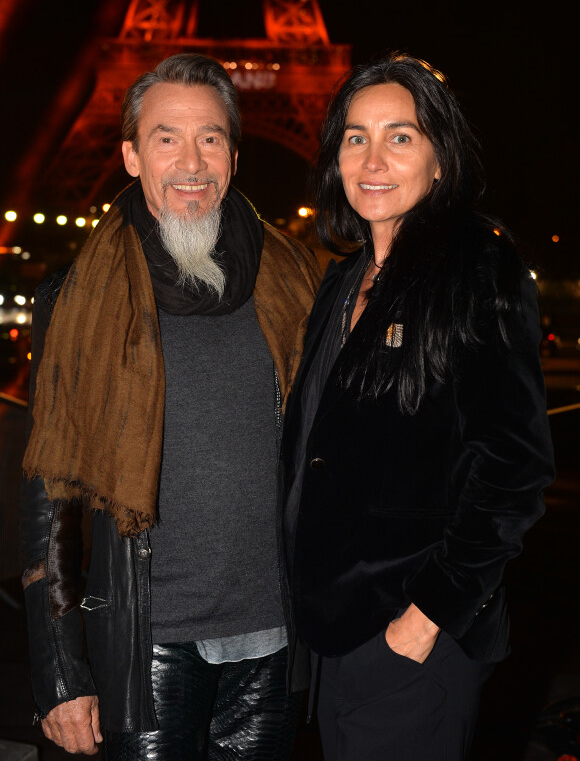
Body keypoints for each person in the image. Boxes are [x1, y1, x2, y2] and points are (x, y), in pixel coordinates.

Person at [20, 53, 321, 759]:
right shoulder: (78, 295)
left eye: (210, 138)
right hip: (144, 646)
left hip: (273, 640)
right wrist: (62, 672)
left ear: (234, 154)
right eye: (166, 138)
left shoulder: (294, 278)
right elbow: (49, 494)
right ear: (130, 154)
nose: (191, 161)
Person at [282, 52, 555, 761]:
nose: (373, 158)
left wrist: (428, 614)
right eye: (355, 137)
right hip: (338, 628)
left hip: (411, 631)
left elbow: (515, 466)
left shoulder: (473, 267)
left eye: (400, 136)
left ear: (440, 158)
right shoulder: (342, 283)